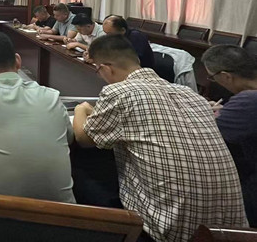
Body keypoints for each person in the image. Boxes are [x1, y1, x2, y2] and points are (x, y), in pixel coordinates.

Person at [73, 35, 247, 242]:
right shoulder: (191, 94)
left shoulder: (119, 92)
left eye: (97, 70)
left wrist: (81, 108)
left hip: (171, 231)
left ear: (106, 68)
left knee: (80, 170)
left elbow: (84, 138)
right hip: (233, 232)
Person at [0, 32, 75, 223]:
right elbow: (69, 138)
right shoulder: (51, 96)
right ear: (18, 61)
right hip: (62, 220)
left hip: (0, 222)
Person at [202, 45, 257, 227]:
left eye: (213, 77)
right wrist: (226, 112)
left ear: (226, 76)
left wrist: (204, 112)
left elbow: (206, 134)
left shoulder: (248, 100)